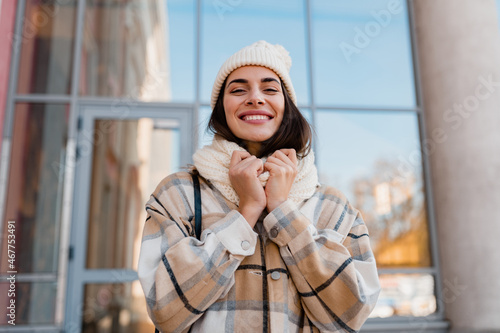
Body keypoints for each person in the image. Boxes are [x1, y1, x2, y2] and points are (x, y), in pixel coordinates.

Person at [138, 40, 380, 333]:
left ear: (287, 107)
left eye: (269, 89)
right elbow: (165, 312)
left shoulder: (334, 206)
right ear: (220, 110)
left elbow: (349, 315)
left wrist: (282, 211)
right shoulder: (178, 194)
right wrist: (247, 212)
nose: (255, 98)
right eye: (238, 89)